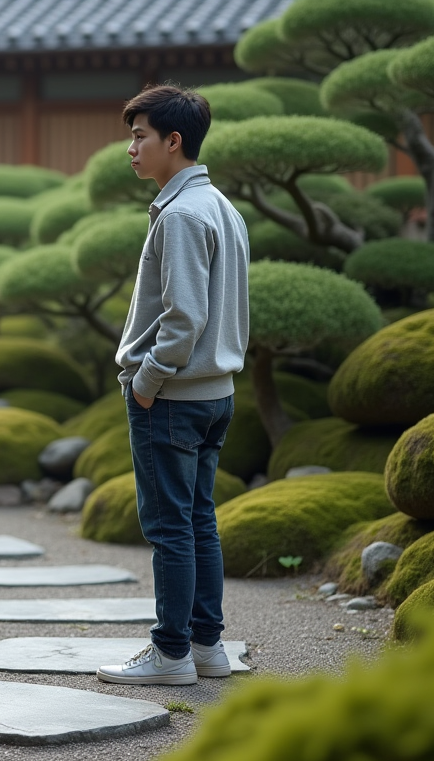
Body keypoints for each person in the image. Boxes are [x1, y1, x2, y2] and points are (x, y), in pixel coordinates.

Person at [96, 85, 250, 686]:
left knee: (169, 529)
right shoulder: (221, 206)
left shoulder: (183, 213)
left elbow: (184, 318)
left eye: (140, 136)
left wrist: (147, 381)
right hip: (217, 392)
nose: (130, 148)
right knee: (198, 521)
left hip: (173, 396)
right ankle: (206, 646)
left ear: (173, 141)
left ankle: (170, 653)